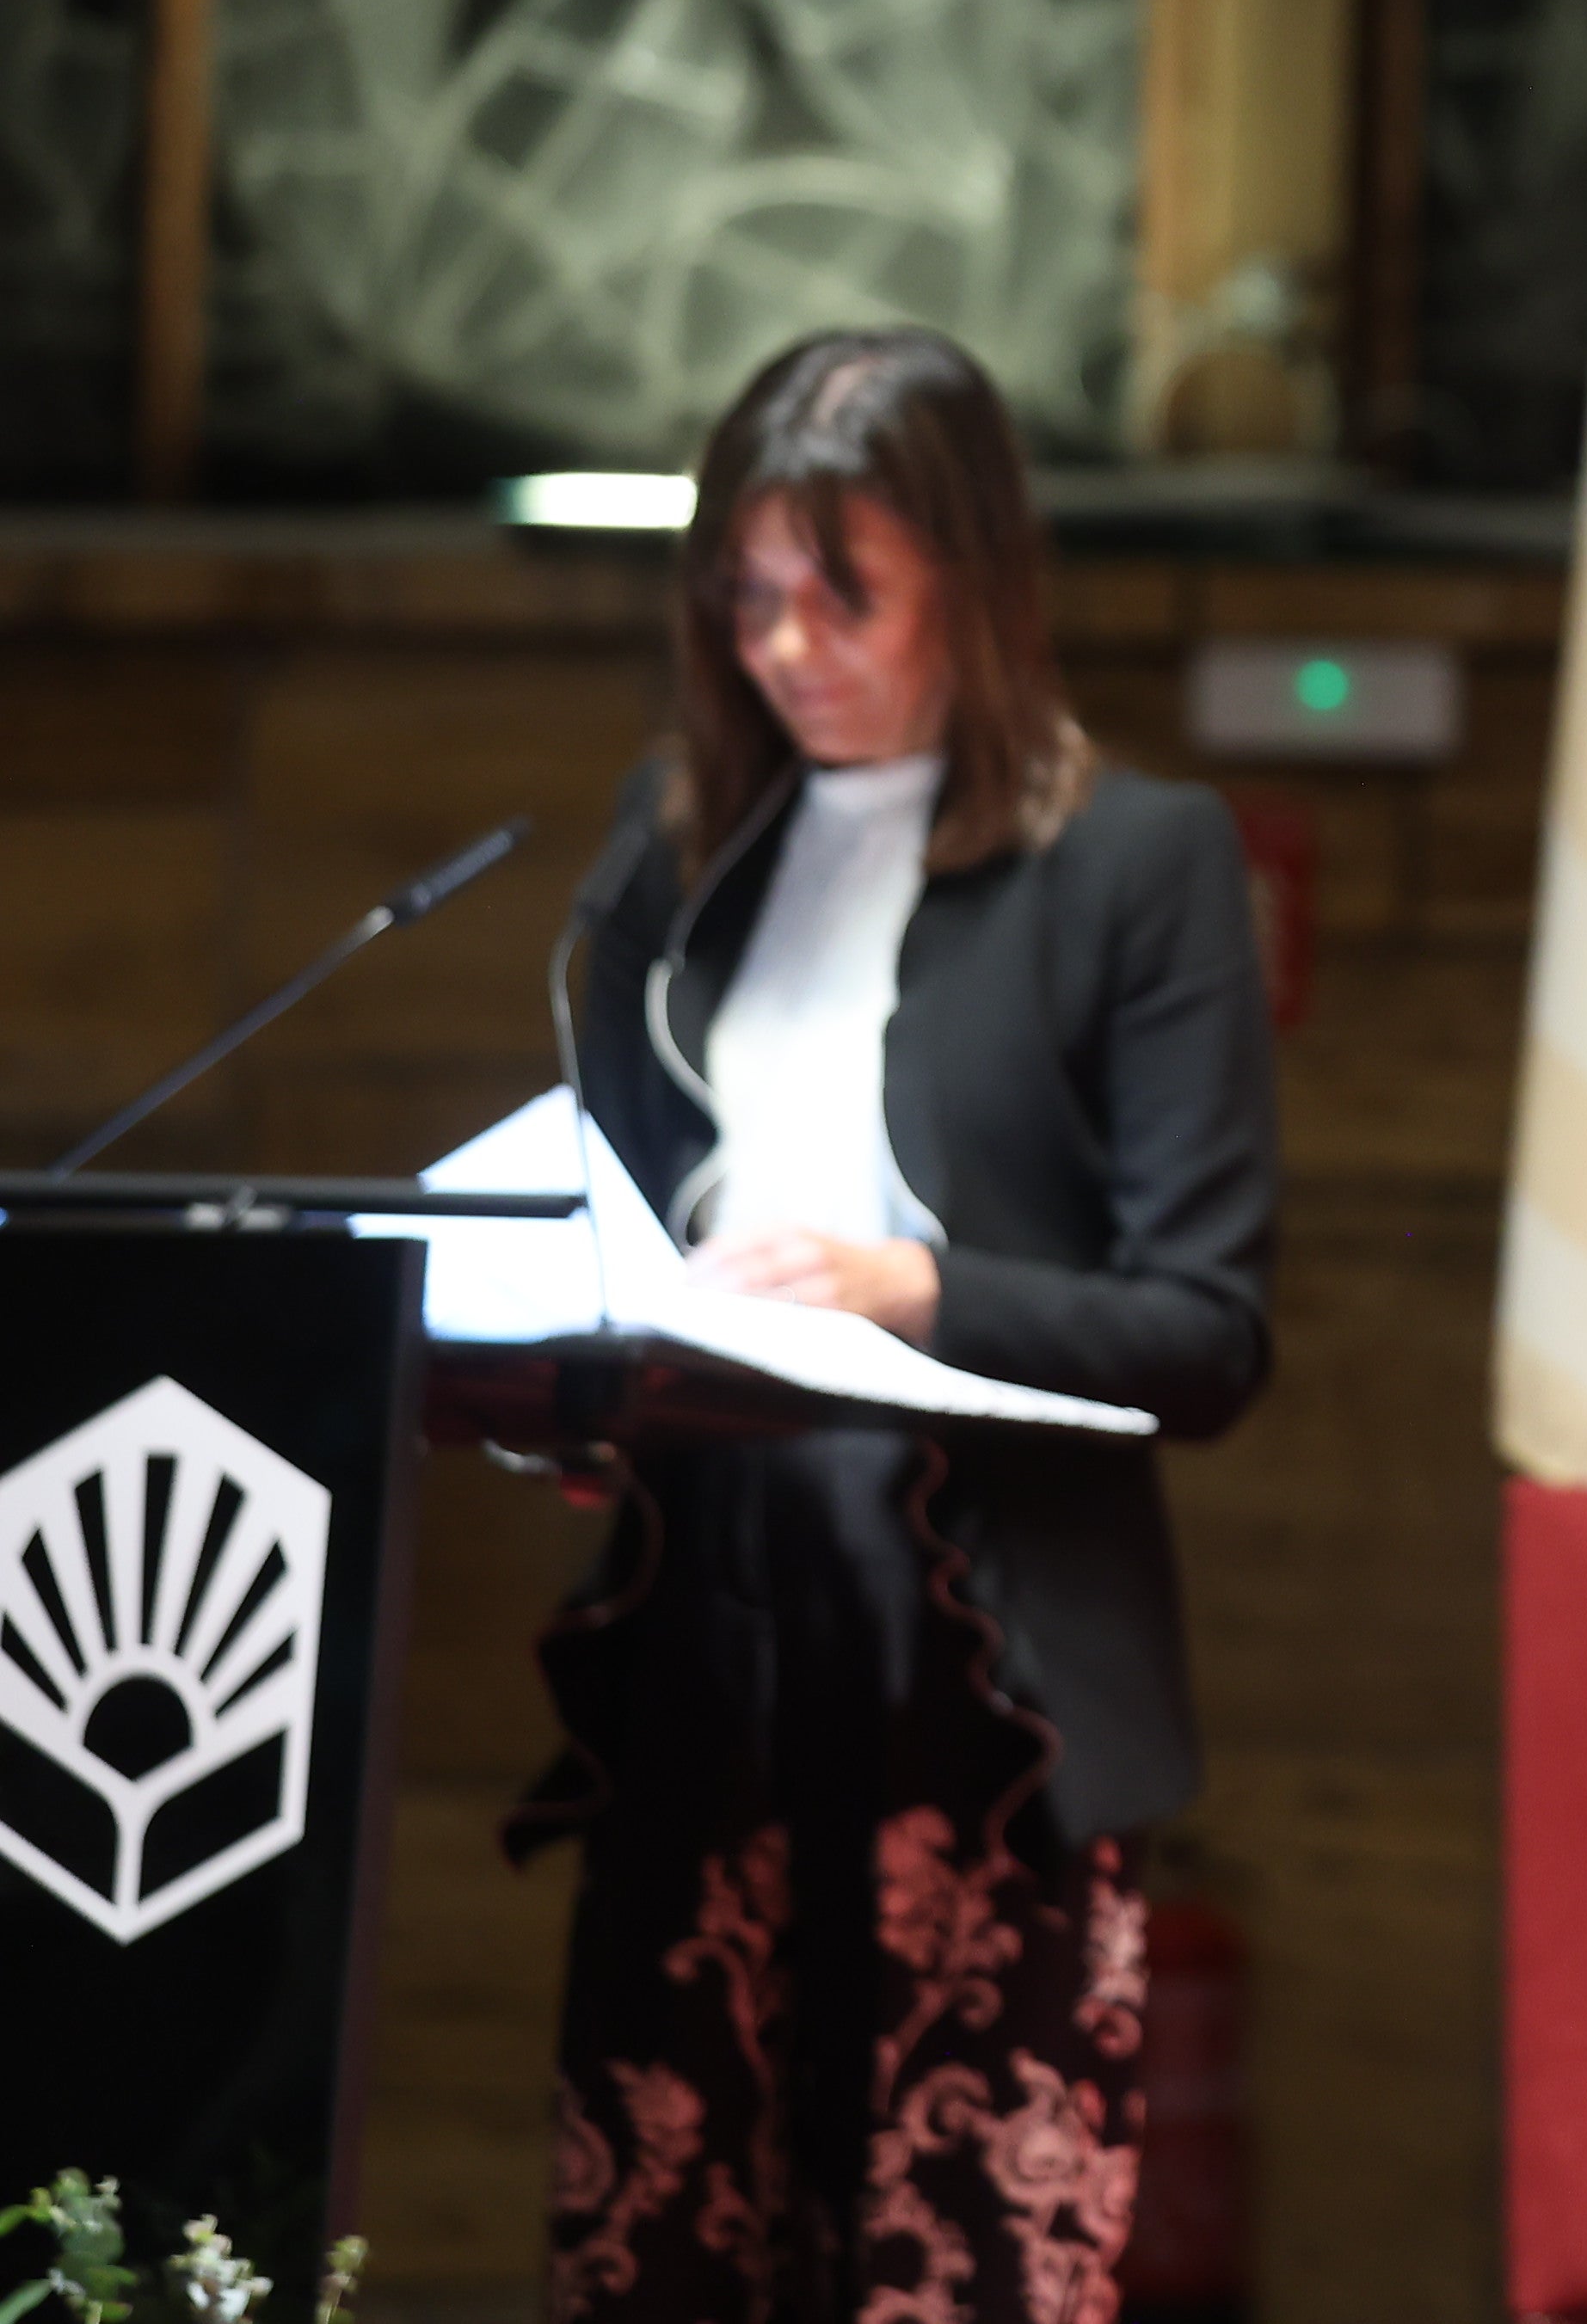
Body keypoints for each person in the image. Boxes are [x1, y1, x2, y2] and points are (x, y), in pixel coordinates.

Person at [526, 328, 1276, 2324]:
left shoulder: (1133, 864)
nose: (787, 645)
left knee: (960, 2280)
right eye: (747, 596)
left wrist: (911, 1287)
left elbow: (1205, 1332)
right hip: (709, 1658)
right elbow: (607, 1210)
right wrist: (552, 1363)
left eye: (839, 590)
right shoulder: (675, 850)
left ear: (976, 574)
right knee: (666, 2257)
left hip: (991, 1700)